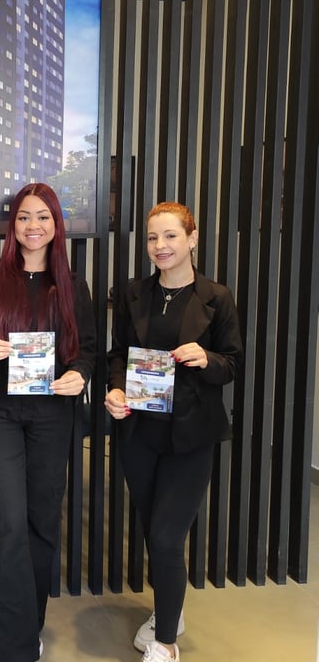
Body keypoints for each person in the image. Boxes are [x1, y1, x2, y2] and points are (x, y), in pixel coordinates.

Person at [105, 202, 244, 662]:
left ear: (192, 238)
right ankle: (171, 611)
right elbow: (118, 355)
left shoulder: (216, 297)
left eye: (170, 236)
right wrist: (115, 390)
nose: (160, 246)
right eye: (152, 238)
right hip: (140, 432)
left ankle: (165, 642)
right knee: (155, 533)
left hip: (191, 436)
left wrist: (207, 359)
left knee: (166, 538)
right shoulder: (133, 294)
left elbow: (233, 364)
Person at [0, 182, 96, 662]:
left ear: (56, 224)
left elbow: (88, 350)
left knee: (42, 518)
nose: (33, 226)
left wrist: (79, 374)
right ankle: (15, 644)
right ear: (12, 225)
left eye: (43, 217)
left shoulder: (73, 285)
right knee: (6, 521)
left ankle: (30, 621)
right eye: (24, 217)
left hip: (51, 414)